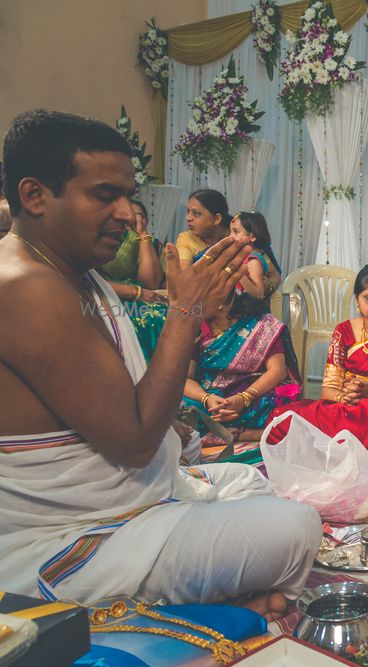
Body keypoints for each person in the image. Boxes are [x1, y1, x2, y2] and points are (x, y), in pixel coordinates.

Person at [0, 110, 319, 615]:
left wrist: (178, 432)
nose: (128, 214)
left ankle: (215, 594)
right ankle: (178, 608)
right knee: (296, 529)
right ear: (35, 195)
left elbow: (110, 403)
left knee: (250, 480)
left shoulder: (73, 273)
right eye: (106, 195)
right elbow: (132, 443)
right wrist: (186, 312)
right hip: (68, 540)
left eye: (130, 196)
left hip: (125, 504)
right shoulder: (24, 288)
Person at [268, 264, 368, 466]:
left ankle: (330, 445)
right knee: (283, 417)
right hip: (348, 407)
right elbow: (328, 389)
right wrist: (344, 398)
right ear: (357, 299)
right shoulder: (343, 331)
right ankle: (365, 444)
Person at [181, 290, 301, 452]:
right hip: (209, 397)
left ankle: (224, 431)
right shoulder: (195, 326)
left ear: (221, 301)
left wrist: (243, 398)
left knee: (283, 405)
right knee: (175, 407)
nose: (193, 305)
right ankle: (244, 433)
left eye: (199, 299)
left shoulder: (262, 324)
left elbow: (277, 371)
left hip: (251, 392)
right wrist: (207, 398)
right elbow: (184, 378)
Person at [97, 199, 170, 358]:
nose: (133, 219)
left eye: (139, 216)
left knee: (167, 312)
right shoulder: (103, 238)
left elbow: (151, 282)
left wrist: (143, 235)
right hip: (106, 294)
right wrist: (135, 292)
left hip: (140, 293)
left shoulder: (148, 242)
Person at [229, 211, 282, 299]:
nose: (230, 236)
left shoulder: (253, 261)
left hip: (249, 310)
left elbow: (259, 294)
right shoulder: (235, 256)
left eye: (236, 232)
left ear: (252, 236)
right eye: (230, 231)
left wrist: (238, 273)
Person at [176, 189, 230, 269]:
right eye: (188, 211)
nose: (188, 218)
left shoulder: (235, 238)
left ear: (217, 219)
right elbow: (183, 275)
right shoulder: (187, 238)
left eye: (196, 213)